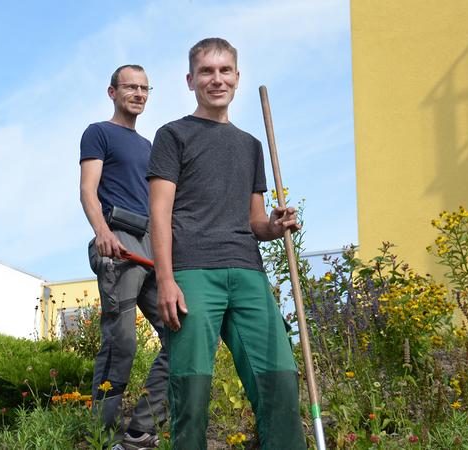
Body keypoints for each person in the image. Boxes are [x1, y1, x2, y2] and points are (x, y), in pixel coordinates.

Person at [146, 38, 306, 449]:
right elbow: (159, 214)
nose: (216, 79)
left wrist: (275, 224)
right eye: (206, 72)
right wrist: (166, 279)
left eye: (224, 71)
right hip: (194, 272)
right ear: (190, 80)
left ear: (237, 78)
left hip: (248, 271)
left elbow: (255, 220)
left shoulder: (251, 145)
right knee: (192, 390)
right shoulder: (173, 135)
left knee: (280, 380)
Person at [79, 64, 169, 450]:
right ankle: (102, 436)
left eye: (144, 88)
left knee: (181, 338)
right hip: (118, 243)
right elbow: (87, 189)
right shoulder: (99, 133)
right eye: (130, 87)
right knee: (122, 344)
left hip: (152, 250)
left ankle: (140, 432)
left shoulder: (150, 147)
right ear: (112, 91)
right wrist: (102, 232)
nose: (138, 93)